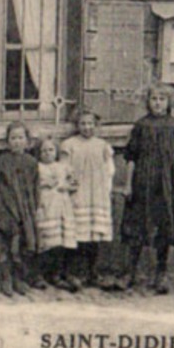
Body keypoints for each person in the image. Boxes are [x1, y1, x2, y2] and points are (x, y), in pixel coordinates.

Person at [119, 84, 174, 294]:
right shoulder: (141, 126)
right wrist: (127, 184)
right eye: (154, 98)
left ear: (169, 103)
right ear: (148, 101)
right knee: (137, 228)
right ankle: (130, 273)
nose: (158, 102)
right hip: (142, 184)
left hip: (166, 185)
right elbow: (131, 158)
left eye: (162, 99)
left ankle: (160, 274)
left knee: (164, 228)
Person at [0, 122, 41, 298]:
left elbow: (35, 188)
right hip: (4, 209)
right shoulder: (1, 161)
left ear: (27, 141)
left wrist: (34, 209)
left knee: (22, 244)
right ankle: (5, 278)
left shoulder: (31, 162)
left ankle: (18, 278)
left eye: (20, 138)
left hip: (24, 210)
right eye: (13, 138)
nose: (17, 142)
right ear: (8, 141)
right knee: (3, 245)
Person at [61, 107, 114, 287]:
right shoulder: (69, 145)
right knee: (75, 233)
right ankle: (71, 272)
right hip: (79, 194)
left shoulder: (102, 146)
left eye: (90, 123)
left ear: (96, 125)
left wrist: (106, 189)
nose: (86, 127)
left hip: (96, 194)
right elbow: (64, 168)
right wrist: (69, 185)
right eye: (83, 123)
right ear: (77, 125)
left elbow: (109, 170)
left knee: (93, 235)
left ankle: (92, 271)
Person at [35, 135, 81, 292]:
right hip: (46, 206)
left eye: (50, 150)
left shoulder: (63, 167)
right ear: (39, 153)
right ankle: (41, 273)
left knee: (61, 241)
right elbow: (32, 185)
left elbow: (75, 183)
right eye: (43, 151)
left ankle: (58, 273)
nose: (47, 153)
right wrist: (43, 184)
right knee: (46, 241)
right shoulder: (37, 168)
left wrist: (66, 186)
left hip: (62, 206)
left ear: (56, 151)